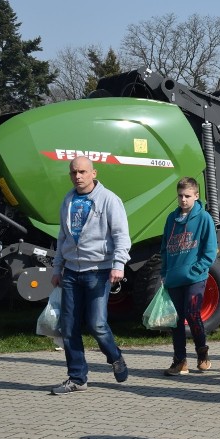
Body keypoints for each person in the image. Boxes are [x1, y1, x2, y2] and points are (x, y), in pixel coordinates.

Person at [50, 157, 131, 395]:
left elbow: (121, 235)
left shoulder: (108, 200)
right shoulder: (68, 199)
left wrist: (119, 264)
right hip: (71, 272)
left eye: (83, 172)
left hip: (99, 270)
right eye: (74, 172)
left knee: (97, 323)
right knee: (69, 327)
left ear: (93, 173)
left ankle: (115, 357)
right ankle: (77, 378)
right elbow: (63, 236)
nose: (78, 176)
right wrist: (57, 268)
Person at [161, 177, 218, 375]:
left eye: (187, 196)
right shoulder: (171, 219)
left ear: (196, 196)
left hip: (195, 277)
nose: (183, 200)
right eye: (180, 196)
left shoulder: (204, 218)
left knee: (192, 314)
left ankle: (202, 354)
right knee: (175, 321)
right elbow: (164, 249)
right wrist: (164, 273)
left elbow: (210, 251)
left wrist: (197, 269)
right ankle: (179, 361)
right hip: (174, 278)